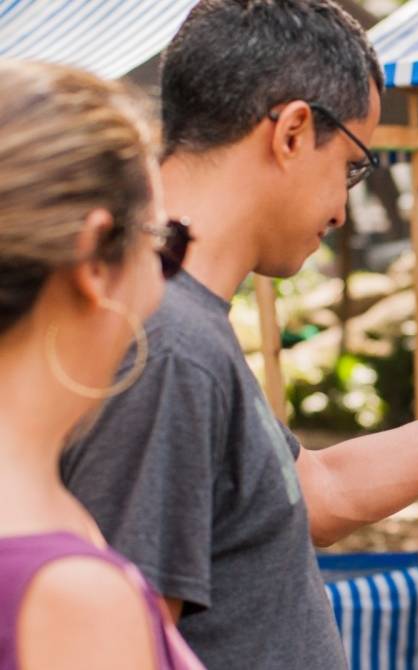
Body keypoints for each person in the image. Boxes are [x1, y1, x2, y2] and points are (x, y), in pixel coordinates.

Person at [59, 3, 418, 668]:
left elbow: (322, 493)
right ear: (294, 132)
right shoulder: (171, 344)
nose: (344, 203)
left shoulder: (182, 323)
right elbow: (122, 643)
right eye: (356, 164)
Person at [0, 61, 201, 669]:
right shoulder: (68, 594)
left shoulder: (57, 517)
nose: (163, 286)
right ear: (93, 258)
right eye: (163, 245)